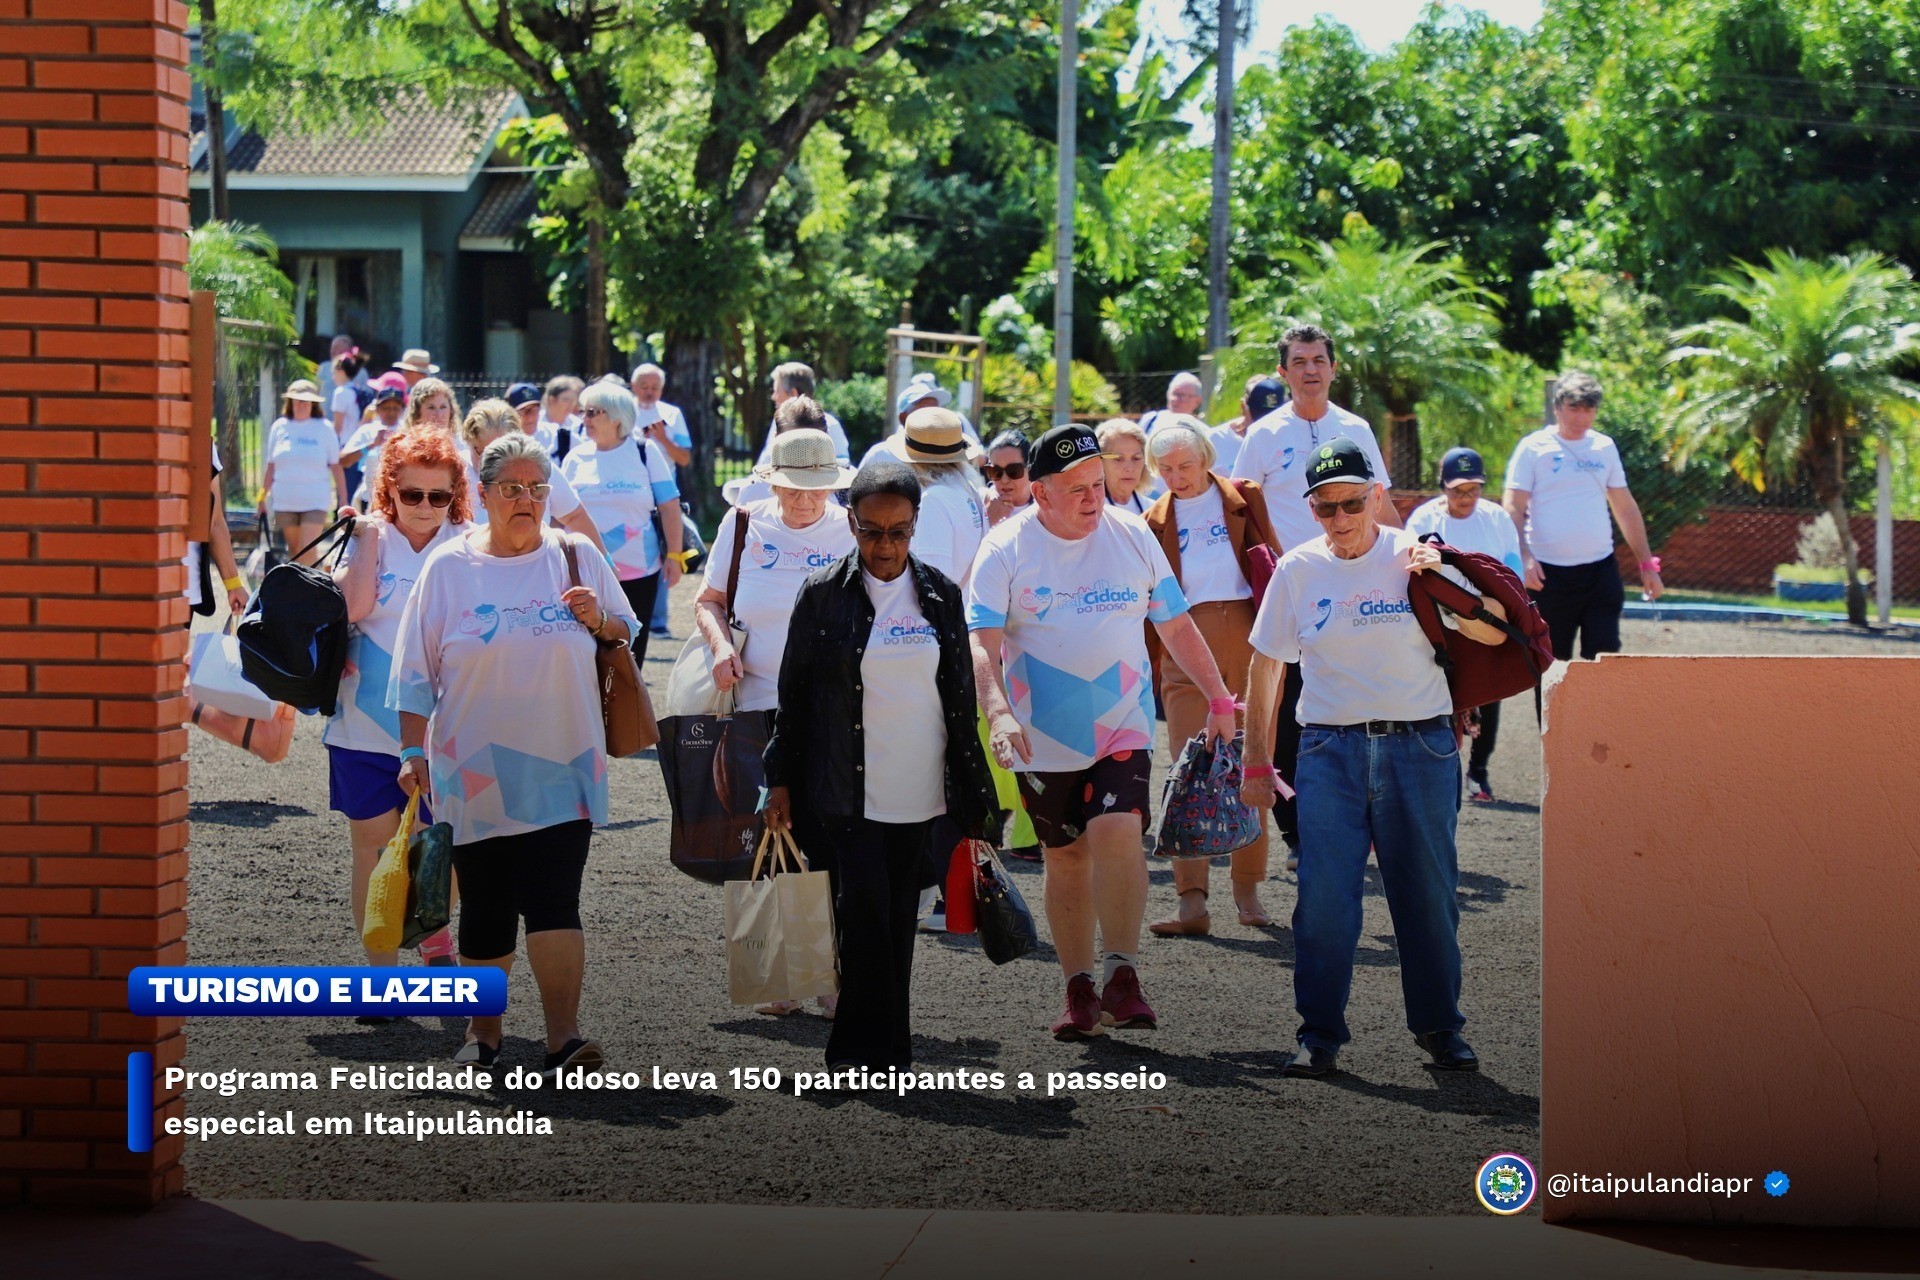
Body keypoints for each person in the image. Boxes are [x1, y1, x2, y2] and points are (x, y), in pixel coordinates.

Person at [1239, 437, 1510, 1079]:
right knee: (1324, 898)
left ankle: (1442, 1029)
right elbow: (1266, 665)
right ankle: (1319, 1034)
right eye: (1325, 508)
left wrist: (1443, 579)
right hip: (1328, 750)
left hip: (1420, 745)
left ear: (1378, 496)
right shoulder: (1298, 569)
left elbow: (1496, 629)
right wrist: (1255, 759)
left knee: (1428, 896)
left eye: (1352, 503)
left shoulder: (1419, 558)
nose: (1340, 519)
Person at [969, 424, 1239, 1041]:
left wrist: (1219, 695)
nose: (1095, 499)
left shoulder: (1132, 532)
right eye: (1077, 489)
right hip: (1044, 735)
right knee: (1066, 858)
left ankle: (1123, 975)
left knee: (1119, 833)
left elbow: (1174, 624)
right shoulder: (1005, 548)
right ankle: (1079, 986)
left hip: (1123, 723)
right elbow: (979, 643)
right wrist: (999, 712)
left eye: (1099, 484)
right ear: (1039, 493)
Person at [391, 432, 639, 1078]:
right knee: (486, 904)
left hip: (565, 762)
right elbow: (414, 670)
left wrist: (598, 620)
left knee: (556, 898)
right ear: (484, 495)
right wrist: (410, 748)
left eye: (537, 489)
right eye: (511, 490)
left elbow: (625, 630)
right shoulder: (448, 568)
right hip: (473, 770)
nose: (526, 501)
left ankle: (564, 1039)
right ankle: (484, 1035)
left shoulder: (576, 555)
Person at [763, 459, 1001, 1070]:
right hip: (845, 791)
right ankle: (856, 1053)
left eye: (897, 531)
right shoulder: (820, 598)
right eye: (871, 530)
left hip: (920, 791)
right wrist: (779, 779)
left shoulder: (942, 595)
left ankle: (890, 1050)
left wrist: (975, 793)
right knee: (861, 917)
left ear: (915, 525)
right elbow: (793, 698)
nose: (884, 545)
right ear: (851, 523)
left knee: (896, 924)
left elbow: (959, 701)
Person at [698, 428, 858, 1016]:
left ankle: (826, 973)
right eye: (794, 489)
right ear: (775, 482)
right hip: (758, 699)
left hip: (835, 711)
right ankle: (777, 975)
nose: (805, 502)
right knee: (768, 831)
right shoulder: (743, 523)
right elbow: (710, 599)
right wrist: (719, 647)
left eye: (817, 490)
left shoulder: (851, 527)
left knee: (826, 835)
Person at [1231, 323, 1400, 868]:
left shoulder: (1356, 428)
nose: (1309, 369)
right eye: (1298, 360)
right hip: (1291, 591)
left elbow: (1382, 507)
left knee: (1355, 701)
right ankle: (1300, 835)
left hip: (1357, 589)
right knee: (1284, 712)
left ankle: (1358, 823)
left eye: (1318, 359)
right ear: (1282, 373)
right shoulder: (1262, 436)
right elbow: (1240, 512)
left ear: (1332, 368)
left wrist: (1417, 558)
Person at [325, 426, 470, 984]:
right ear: (390, 489)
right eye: (412, 495)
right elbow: (356, 606)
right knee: (371, 846)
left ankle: (434, 935)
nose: (426, 508)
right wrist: (365, 532)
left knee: (441, 845)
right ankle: (379, 977)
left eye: (439, 495)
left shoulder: (469, 544)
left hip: (445, 728)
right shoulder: (370, 534)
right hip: (361, 723)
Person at [1140, 418, 1282, 935]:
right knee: (1187, 767)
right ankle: (1191, 902)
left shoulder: (1246, 497)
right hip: (1183, 644)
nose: (1177, 476)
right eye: (1167, 468)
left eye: (1186, 464)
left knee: (1253, 763)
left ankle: (1248, 893)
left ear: (1207, 458)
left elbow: (1274, 563)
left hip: (1251, 638)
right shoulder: (1151, 520)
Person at [1503, 371, 1664, 664]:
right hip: (1547, 576)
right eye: (1573, 408)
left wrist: (1647, 564)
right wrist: (1523, 555)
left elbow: (1624, 507)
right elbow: (1513, 506)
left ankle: (1602, 713)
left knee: (1604, 659)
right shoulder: (1533, 448)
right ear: (1557, 408)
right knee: (1552, 664)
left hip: (1599, 571)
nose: (1581, 417)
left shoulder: (1604, 447)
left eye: (1588, 409)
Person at [1406, 446, 1523, 802]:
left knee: (1491, 694)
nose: (1467, 497)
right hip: (1441, 621)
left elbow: (1512, 569)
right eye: (1458, 490)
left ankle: (1480, 770)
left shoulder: (1497, 517)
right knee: (1441, 696)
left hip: (1488, 619)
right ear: (1443, 487)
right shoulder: (1424, 519)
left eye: (1474, 489)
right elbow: (1409, 570)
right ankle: (1441, 768)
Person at [561, 379, 684, 664]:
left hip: (639, 572)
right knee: (586, 656)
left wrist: (675, 556)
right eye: (584, 412)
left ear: (617, 416)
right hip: (584, 573)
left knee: (629, 658)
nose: (585, 419)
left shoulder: (645, 452)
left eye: (593, 412)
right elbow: (558, 515)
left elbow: (669, 506)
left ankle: (630, 709)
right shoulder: (575, 458)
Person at [456, 399, 610, 557]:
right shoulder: (453, 472)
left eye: (501, 453)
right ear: (468, 442)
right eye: (481, 451)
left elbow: (574, 515)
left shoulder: (537, 468)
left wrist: (606, 562)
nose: (489, 461)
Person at [259, 379, 347, 566]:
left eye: (305, 401)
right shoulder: (279, 427)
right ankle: (301, 589)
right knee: (295, 551)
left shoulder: (324, 428)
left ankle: (314, 589)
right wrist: (261, 497)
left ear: (313, 404)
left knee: (308, 547)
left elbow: (336, 466)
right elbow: (271, 465)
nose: (301, 405)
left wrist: (343, 500)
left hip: (315, 500)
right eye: (297, 400)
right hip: (285, 501)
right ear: (290, 402)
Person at [727, 395, 838, 508]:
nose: (803, 454)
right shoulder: (754, 494)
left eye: (812, 445)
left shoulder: (846, 492)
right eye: (792, 445)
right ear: (775, 440)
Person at [184, 442, 249, 622]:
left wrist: (233, 584)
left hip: (184, 582)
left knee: (173, 649)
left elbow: (215, 519)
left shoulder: (200, 437)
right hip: (130, 579)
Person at [754, 362, 851, 465]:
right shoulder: (778, 422)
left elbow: (843, 466)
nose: (773, 397)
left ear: (793, 394)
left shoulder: (831, 425)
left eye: (777, 391)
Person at [341, 384, 407, 509]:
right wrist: (371, 445)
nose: (391, 412)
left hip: (400, 499)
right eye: (386, 408)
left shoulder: (408, 431)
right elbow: (344, 460)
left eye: (395, 408)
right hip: (370, 497)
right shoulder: (367, 431)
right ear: (377, 409)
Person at [1210, 376, 1285, 478]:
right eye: (1260, 415)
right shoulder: (1215, 439)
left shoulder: (1288, 437)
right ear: (1243, 406)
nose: (1265, 422)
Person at [1098, 418, 1152, 513]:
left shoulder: (1154, 511)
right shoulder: (1090, 513)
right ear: (1100, 462)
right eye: (1118, 459)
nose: (1129, 468)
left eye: (1136, 458)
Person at [982, 430, 1033, 527]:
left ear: (1030, 469)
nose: (1004, 480)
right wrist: (987, 521)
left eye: (1013, 471)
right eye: (996, 471)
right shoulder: (978, 504)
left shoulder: (1046, 508)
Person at [1137, 371, 1204, 438]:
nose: (1175, 399)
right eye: (1174, 394)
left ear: (1197, 400)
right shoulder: (1150, 421)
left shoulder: (1202, 432)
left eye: (1182, 396)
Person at [538, 375, 585, 458]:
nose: (571, 404)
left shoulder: (578, 425)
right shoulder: (537, 422)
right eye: (566, 400)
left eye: (573, 400)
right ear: (551, 400)